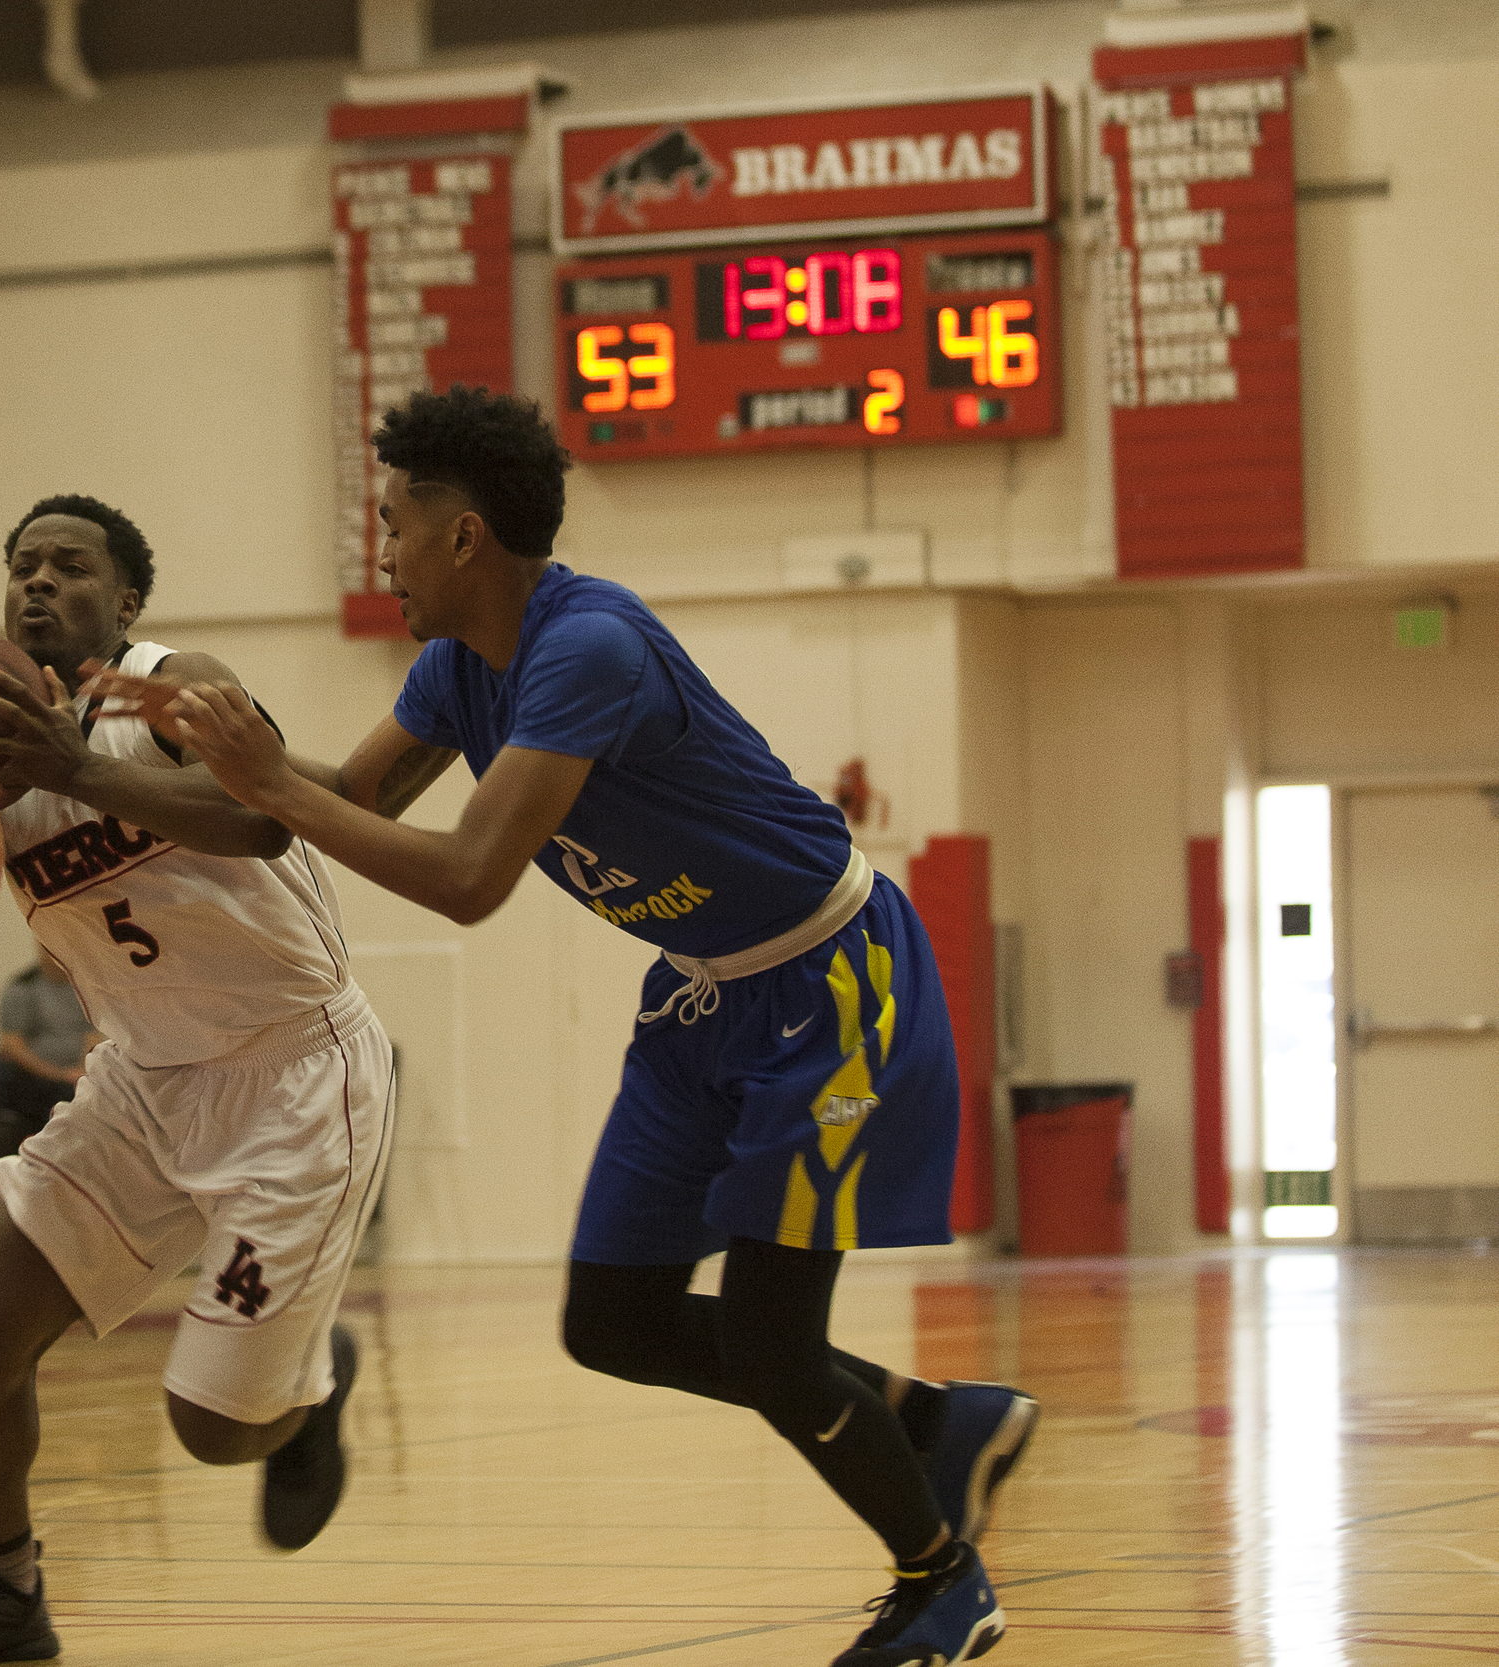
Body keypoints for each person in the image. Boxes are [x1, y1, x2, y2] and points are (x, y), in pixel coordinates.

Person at [100, 387, 1039, 1667]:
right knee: (614, 1320)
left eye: (393, 524)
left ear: (465, 536)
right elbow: (326, 803)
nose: (382, 551)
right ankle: (928, 1420)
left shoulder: (587, 645)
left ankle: (942, 1577)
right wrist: (203, 757)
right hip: (703, 992)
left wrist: (265, 783)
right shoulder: (455, 667)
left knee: (769, 1336)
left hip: (830, 984)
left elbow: (469, 879)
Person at [0, 495, 396, 1667]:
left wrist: (78, 772)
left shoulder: (170, 686)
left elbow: (266, 822)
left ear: (126, 600)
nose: (38, 583)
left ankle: (310, 1387)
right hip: (141, 1079)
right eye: (22, 566)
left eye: (69, 566)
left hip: (292, 1072)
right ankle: (8, 1594)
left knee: (211, 1431)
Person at [0, 958, 98, 1126]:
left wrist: (82, 1071)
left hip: (81, 1073)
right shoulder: (22, 987)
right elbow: (12, 1046)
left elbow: (94, 1035)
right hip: (39, 1077)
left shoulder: (86, 986)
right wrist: (60, 1075)